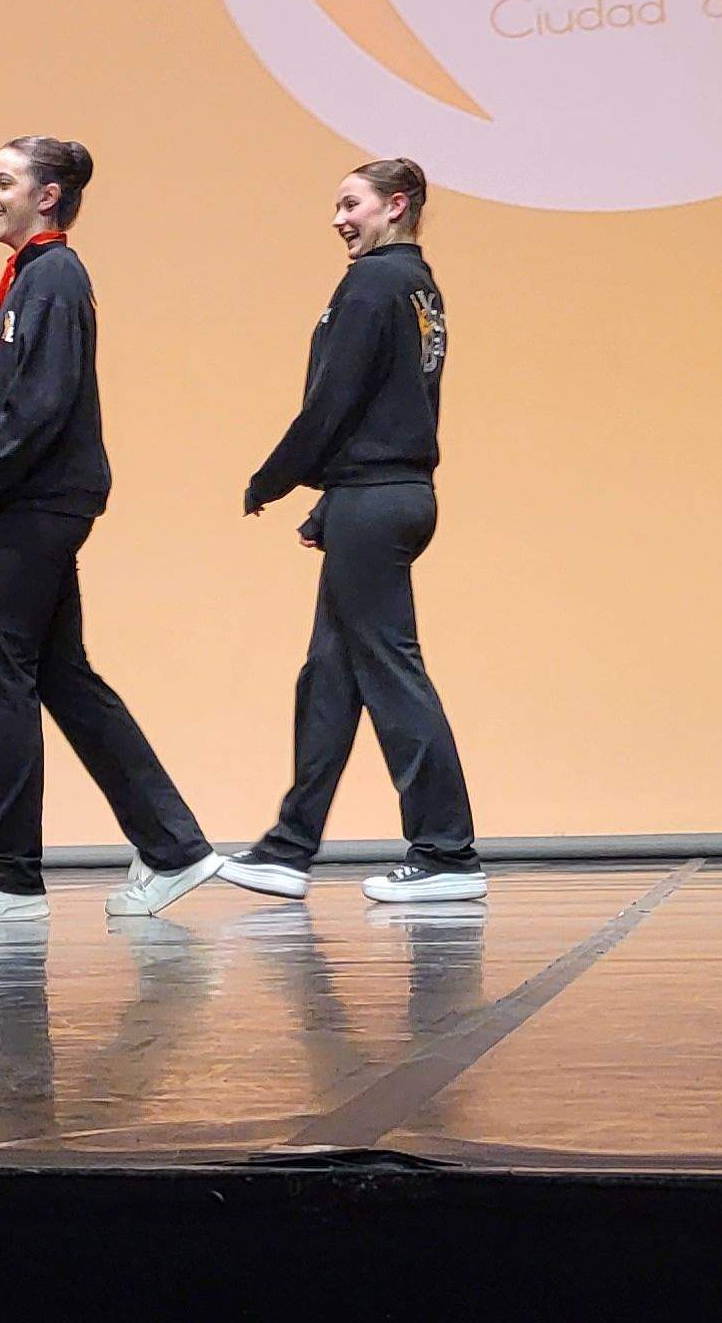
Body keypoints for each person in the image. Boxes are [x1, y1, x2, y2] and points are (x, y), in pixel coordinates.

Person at [0, 137, 222, 923]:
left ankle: (6, 876)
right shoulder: (32, 279)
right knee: (62, 676)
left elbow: (35, 409)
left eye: (3, 181)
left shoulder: (53, 278)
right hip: (36, 499)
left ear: (47, 196)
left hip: (43, 501)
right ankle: (173, 846)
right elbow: (2, 403)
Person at [227, 158, 484, 904]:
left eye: (351, 204)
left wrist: (273, 478)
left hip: (375, 502)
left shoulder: (371, 283)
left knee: (390, 673)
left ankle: (447, 854)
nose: (339, 219)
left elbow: (333, 399)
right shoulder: (416, 285)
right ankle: (288, 848)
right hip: (383, 495)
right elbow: (390, 400)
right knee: (330, 678)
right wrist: (328, 503)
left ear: (396, 205)